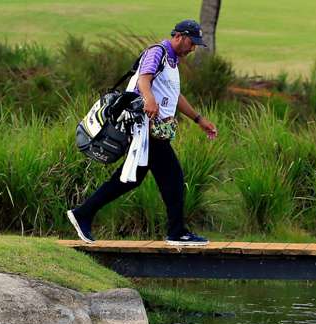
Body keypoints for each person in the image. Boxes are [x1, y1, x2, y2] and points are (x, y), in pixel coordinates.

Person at [66, 19, 218, 246]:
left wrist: (199, 120)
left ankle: (83, 213)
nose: (193, 48)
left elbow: (175, 96)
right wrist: (149, 99)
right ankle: (176, 233)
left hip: (152, 131)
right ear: (178, 36)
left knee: (129, 179)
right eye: (191, 42)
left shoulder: (173, 61)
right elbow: (144, 79)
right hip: (146, 129)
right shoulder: (157, 53)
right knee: (173, 177)